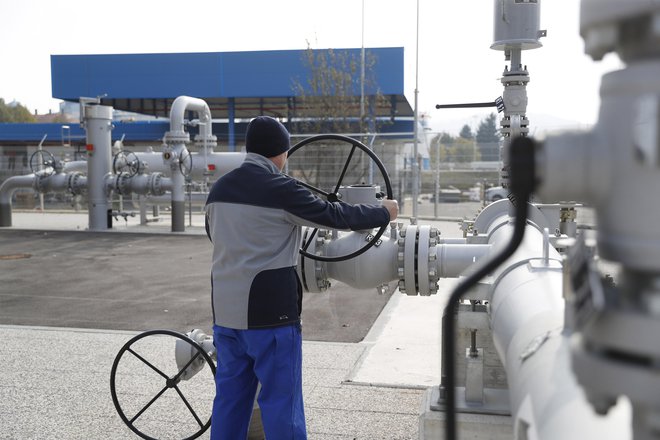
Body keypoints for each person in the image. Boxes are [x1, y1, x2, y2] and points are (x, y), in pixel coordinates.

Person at [205, 116, 398, 439]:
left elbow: (215, 235)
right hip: (270, 319)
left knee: (230, 400)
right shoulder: (281, 189)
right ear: (281, 153)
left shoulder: (218, 190)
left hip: (225, 316)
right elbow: (335, 215)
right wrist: (383, 212)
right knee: (282, 402)